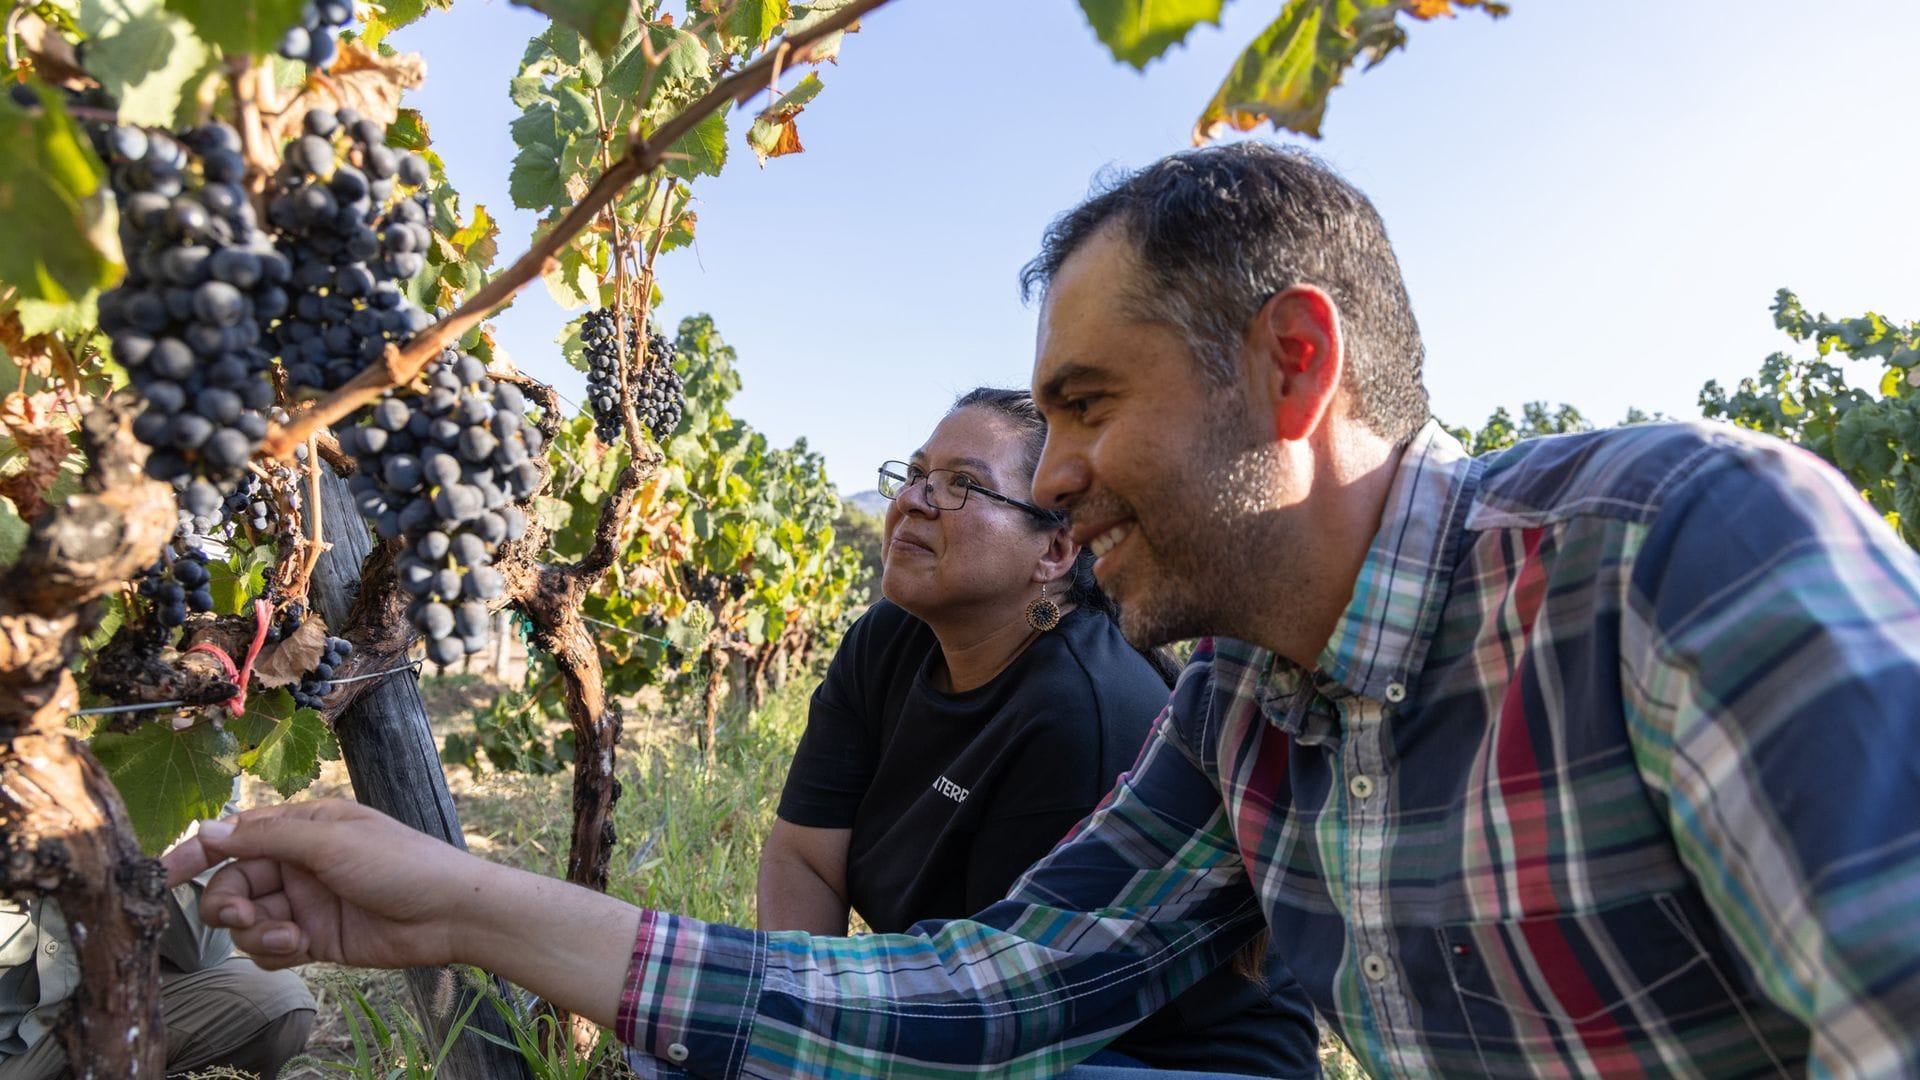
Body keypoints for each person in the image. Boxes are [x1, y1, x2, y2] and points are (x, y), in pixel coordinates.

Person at [162, 142, 1920, 1079]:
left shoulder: (1674, 557)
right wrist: (467, 904)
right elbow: (979, 991)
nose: (1053, 478)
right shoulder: (1247, 708)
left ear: (1291, 366)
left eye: (1084, 407)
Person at [757, 387, 1318, 1076]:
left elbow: (997, 1012)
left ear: (1053, 551)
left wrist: (807, 1045)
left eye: (962, 484)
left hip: (1143, 1055)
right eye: (913, 474)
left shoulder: (1079, 716)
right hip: (975, 1013)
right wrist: (791, 1020)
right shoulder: (887, 642)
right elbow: (802, 857)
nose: (914, 500)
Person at [2, 844, 315, 1078]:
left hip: (68, 1009)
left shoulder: (182, 760)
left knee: (266, 1001)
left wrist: (119, 817)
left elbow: (198, 946)